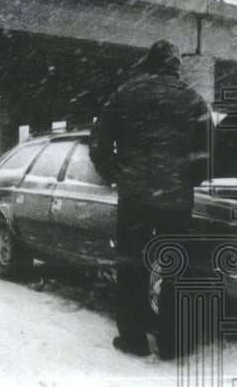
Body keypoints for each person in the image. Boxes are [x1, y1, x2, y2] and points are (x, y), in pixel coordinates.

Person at [90, 39, 210, 357]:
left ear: (149, 61)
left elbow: (98, 141)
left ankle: (134, 339)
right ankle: (174, 342)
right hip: (175, 199)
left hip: (135, 198)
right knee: (176, 267)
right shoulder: (192, 98)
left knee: (132, 265)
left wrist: (116, 173)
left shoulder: (126, 93)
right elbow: (207, 150)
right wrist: (188, 179)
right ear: (175, 66)